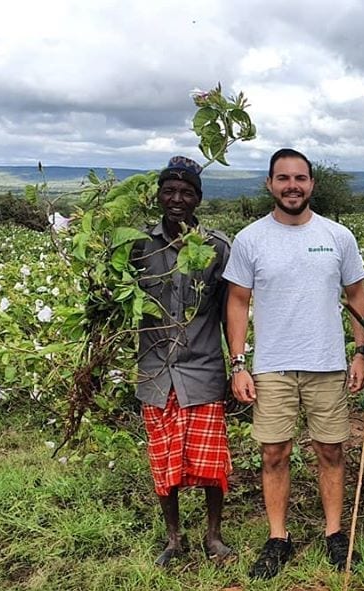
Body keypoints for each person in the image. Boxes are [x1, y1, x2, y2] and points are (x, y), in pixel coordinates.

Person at [223, 148, 364, 580]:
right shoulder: (251, 239)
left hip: (327, 363)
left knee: (331, 449)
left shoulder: (337, 236)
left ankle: (334, 533)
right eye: (283, 178)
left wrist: (359, 352)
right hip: (271, 365)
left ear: (312, 184)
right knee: (274, 452)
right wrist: (238, 363)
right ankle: (278, 538)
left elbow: (357, 294)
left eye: (300, 178)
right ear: (270, 184)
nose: (292, 186)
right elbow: (237, 301)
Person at [134, 155, 235, 567]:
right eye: (170, 191)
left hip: (203, 367)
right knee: (164, 461)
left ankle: (213, 536)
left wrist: (239, 365)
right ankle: (174, 539)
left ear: (199, 198)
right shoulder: (136, 244)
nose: (177, 199)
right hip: (156, 371)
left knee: (212, 462)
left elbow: (230, 312)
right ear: (158, 195)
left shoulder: (217, 247)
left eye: (187, 192)